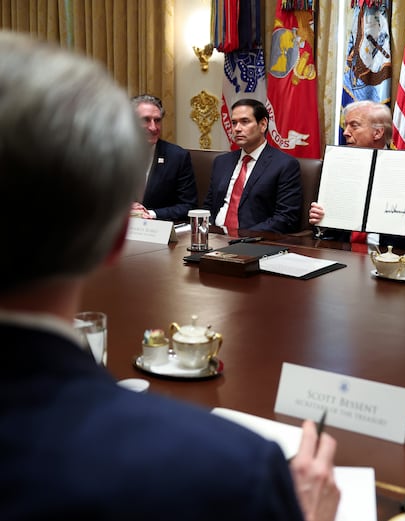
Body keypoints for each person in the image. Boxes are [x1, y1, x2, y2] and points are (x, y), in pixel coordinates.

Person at [0, 31, 339, 520]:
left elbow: (287, 220)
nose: (237, 128)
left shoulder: (282, 165)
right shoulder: (234, 472)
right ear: (118, 237)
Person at [308, 100, 405, 250]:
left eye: (354, 126)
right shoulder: (338, 166)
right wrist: (321, 220)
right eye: (346, 125)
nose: (345, 132)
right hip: (341, 251)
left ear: (378, 132)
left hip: (390, 255)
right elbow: (326, 229)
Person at [202, 98, 302, 234]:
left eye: (245, 122)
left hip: (254, 242)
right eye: (234, 123)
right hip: (214, 237)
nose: (237, 129)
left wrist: (242, 236)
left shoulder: (284, 165)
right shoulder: (222, 162)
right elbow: (209, 206)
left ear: (263, 125)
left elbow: (285, 218)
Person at [130, 94, 199, 222]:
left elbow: (188, 206)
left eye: (157, 120)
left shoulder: (177, 157)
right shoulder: (111, 153)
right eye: (146, 120)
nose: (153, 127)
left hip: (159, 231)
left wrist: (150, 213)